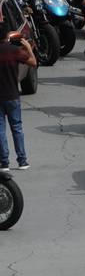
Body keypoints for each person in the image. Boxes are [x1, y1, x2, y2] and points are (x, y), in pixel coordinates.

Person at [0, 21, 37, 171]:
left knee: (0, 130)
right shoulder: (14, 50)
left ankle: (4, 163)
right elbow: (33, 62)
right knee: (17, 128)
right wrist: (28, 47)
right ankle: (22, 161)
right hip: (12, 95)